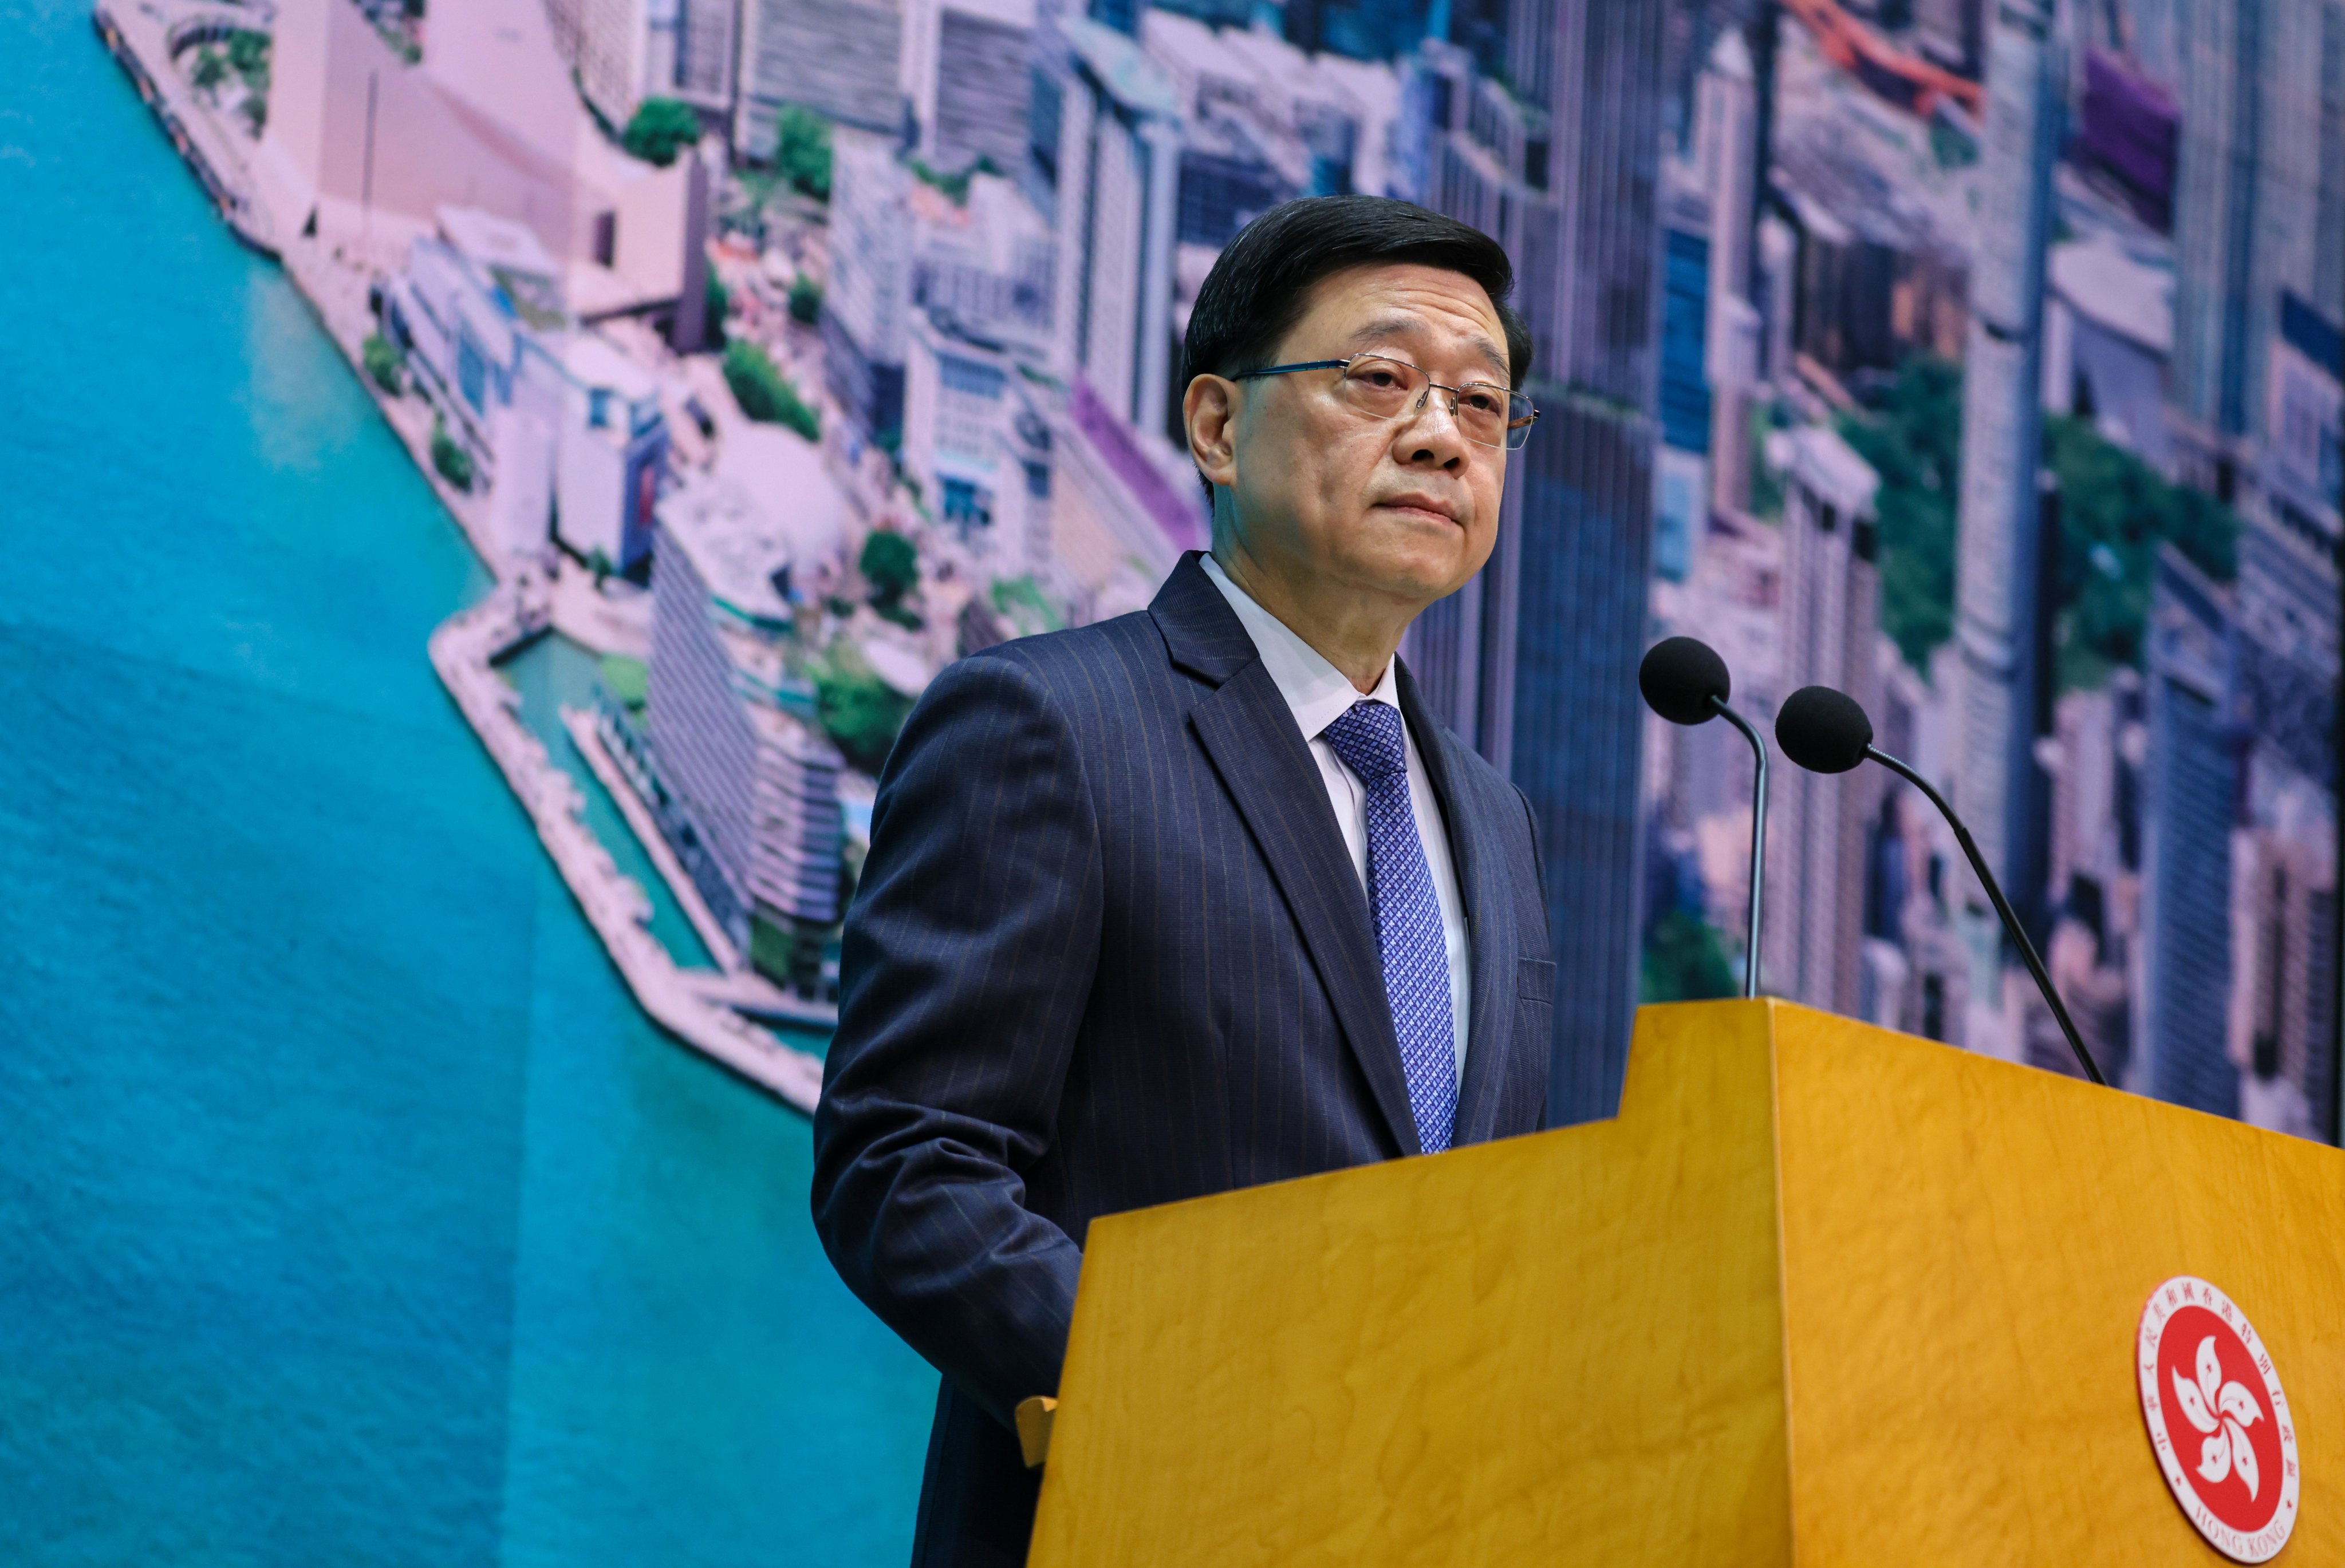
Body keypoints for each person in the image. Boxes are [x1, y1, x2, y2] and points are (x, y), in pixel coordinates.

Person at [811, 195, 1558, 1566]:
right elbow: (906, 1164)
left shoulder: (1496, 827)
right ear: (1217, 426)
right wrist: (1214, 1406)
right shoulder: (1048, 726)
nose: (1440, 433)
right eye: (1378, 378)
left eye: (1481, 403)